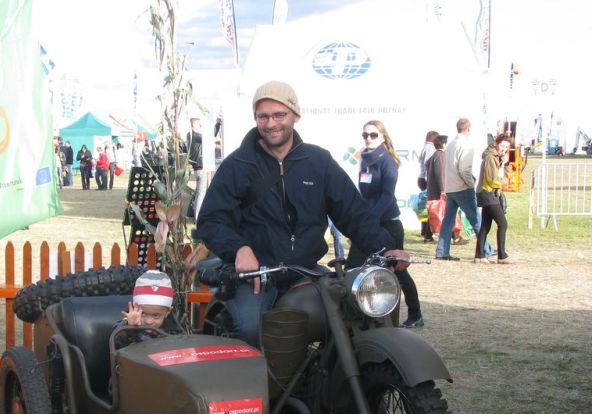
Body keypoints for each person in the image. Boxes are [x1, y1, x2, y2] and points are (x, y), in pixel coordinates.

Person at [195, 80, 410, 348]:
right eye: (263, 116)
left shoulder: (319, 162)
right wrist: (239, 248)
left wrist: (386, 246)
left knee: (354, 316)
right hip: (257, 277)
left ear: (295, 115)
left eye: (279, 115)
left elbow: (353, 211)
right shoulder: (237, 165)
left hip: (307, 272)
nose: (271, 123)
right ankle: (259, 389)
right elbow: (211, 220)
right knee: (251, 330)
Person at [348, 120, 424, 328]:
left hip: (387, 224)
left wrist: (369, 219)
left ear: (382, 136)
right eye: (365, 135)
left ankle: (415, 314)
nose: (368, 139)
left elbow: (386, 196)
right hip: (368, 224)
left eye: (373, 135)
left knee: (396, 270)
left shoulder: (387, 161)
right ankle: (355, 315)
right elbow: (363, 193)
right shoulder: (364, 158)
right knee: (353, 268)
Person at [436, 118, 493, 261]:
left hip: (450, 187)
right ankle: (486, 249)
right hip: (462, 187)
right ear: (468, 129)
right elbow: (464, 169)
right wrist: (471, 184)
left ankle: (442, 251)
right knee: (476, 219)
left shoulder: (450, 145)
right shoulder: (466, 145)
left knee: (447, 221)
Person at [112, 270, 182, 349]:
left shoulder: (173, 329)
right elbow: (116, 339)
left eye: (156, 315)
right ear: (135, 307)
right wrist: (129, 327)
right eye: (143, 314)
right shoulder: (130, 322)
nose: (148, 321)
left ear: (167, 312)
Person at [474, 134, 512, 264]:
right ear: (496, 143)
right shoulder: (491, 157)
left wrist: (504, 163)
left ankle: (479, 255)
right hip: (488, 193)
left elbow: (503, 173)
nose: (504, 149)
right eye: (502, 145)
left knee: (485, 225)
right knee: (503, 224)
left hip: (489, 193)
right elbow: (492, 179)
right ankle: (502, 255)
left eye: (507, 147)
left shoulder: (497, 157)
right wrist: (504, 182)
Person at [186, 117, 205, 220]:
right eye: (199, 124)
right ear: (194, 125)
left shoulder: (190, 135)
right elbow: (207, 139)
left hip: (197, 166)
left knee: (199, 192)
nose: (200, 126)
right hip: (199, 166)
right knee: (200, 193)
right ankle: (197, 217)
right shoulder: (194, 135)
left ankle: (194, 214)